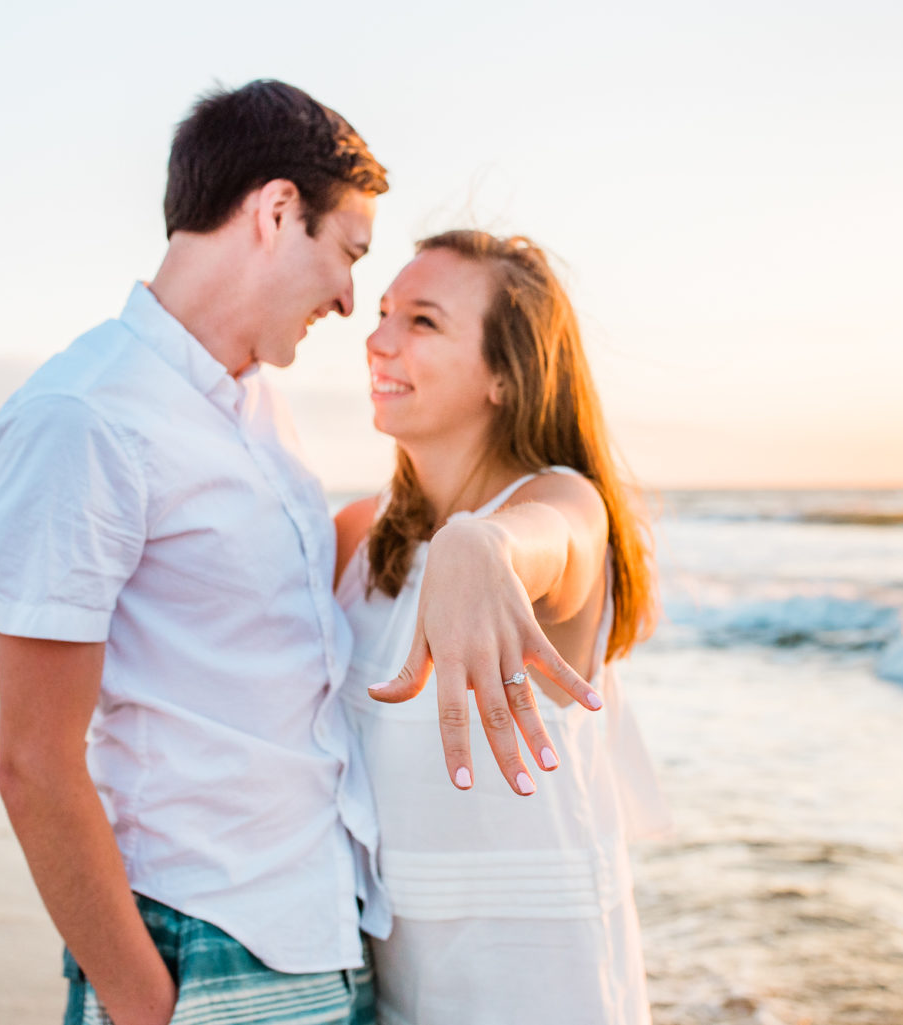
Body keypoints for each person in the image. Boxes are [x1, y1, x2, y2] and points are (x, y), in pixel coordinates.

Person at [0, 83, 602, 1025]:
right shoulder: (86, 417)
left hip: (326, 938)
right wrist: (146, 1003)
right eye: (349, 253)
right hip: (203, 947)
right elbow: (33, 760)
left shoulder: (261, 406)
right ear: (276, 212)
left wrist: (481, 534)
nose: (354, 303)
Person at [336, 231, 671, 1025]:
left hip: (543, 992)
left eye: (422, 321)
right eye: (383, 313)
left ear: (504, 375)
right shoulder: (356, 535)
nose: (378, 339)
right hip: (391, 990)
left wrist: (480, 541)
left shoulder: (564, 503)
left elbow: (551, 537)